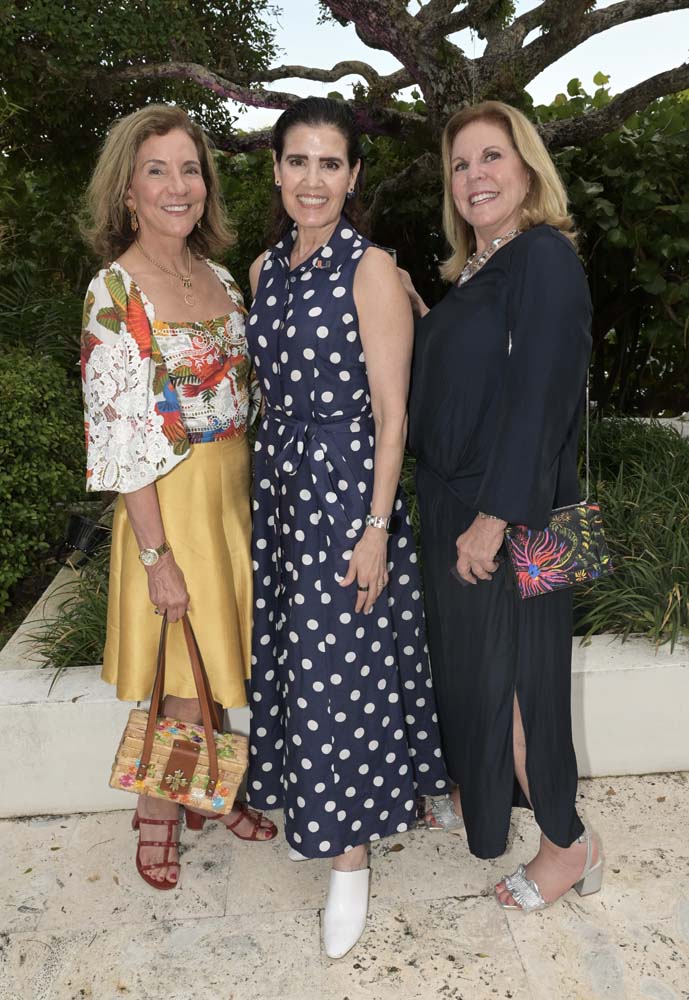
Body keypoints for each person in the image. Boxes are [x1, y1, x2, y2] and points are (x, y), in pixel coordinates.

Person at [245, 97, 448, 957]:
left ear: (353, 176)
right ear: (279, 170)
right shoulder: (263, 269)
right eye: (298, 161)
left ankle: (350, 860)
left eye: (331, 163)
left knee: (342, 673)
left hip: (346, 495)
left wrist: (373, 527)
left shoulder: (369, 270)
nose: (313, 179)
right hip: (281, 492)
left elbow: (393, 419)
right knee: (300, 661)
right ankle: (319, 807)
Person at [404, 100, 603, 912]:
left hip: (518, 513)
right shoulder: (481, 273)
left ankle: (568, 847)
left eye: (491, 158)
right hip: (476, 506)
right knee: (483, 684)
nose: (473, 177)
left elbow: (542, 397)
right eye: (459, 165)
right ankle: (486, 801)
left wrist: (493, 515)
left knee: (524, 693)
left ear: (526, 167)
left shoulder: (544, 257)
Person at [80, 104, 277, 891]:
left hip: (232, 495)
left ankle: (209, 787)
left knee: (212, 664)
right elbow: (121, 439)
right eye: (156, 169)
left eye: (189, 168)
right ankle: (159, 816)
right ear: (128, 189)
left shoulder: (221, 277)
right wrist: (156, 557)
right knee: (178, 675)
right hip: (166, 503)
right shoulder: (113, 291)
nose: (176, 185)